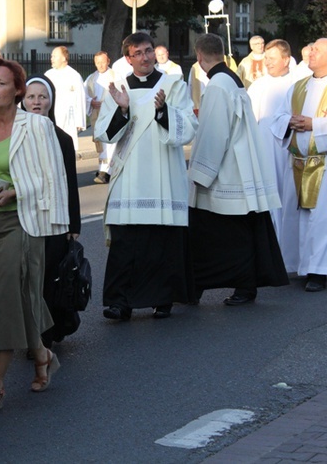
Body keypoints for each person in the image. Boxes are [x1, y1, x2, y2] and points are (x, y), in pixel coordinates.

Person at [0, 59, 69, 415]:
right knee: (8, 298)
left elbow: (51, 176)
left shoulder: (35, 126)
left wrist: (17, 190)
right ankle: (42, 354)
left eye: (1, 83)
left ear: (18, 90)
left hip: (21, 223)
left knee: (3, 301)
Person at [94, 31, 198, 320]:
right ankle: (119, 302)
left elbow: (189, 127)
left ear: (155, 52)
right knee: (125, 240)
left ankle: (161, 299)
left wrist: (164, 112)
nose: (145, 57)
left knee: (161, 240)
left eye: (148, 51)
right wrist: (123, 109)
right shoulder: (117, 88)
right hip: (130, 173)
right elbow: (103, 132)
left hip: (163, 170)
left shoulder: (174, 84)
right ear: (128, 58)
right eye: (137, 53)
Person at [188, 33, 288, 305]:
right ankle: (215, 285)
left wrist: (200, 174)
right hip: (239, 166)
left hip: (226, 173)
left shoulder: (218, 85)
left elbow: (213, 133)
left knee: (221, 234)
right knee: (237, 233)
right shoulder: (231, 78)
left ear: (199, 58)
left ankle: (236, 287)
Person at [270, 38, 327, 291]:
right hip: (296, 161)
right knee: (296, 216)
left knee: (322, 218)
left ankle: (318, 272)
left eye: (317, 50)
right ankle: (298, 264)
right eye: (310, 48)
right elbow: (278, 117)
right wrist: (289, 122)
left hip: (326, 163)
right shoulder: (298, 87)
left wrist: (313, 125)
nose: (310, 52)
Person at [21, 74, 82, 346]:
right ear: (22, 100)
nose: (36, 102)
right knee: (25, 280)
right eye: (31, 96)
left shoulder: (63, 138)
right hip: (21, 218)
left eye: (42, 96)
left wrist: (74, 226)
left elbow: (70, 183)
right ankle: (29, 335)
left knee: (50, 279)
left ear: (51, 101)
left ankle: (47, 335)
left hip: (55, 221)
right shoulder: (13, 134)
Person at [247, 39, 296, 239]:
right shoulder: (258, 85)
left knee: (290, 195)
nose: (267, 62)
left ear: (286, 60)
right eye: (266, 58)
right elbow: (250, 119)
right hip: (265, 148)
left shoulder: (299, 83)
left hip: (290, 148)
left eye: (272, 58)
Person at [44, 46, 86, 150]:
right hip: (51, 115)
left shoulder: (74, 76)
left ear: (63, 58)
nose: (51, 58)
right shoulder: (48, 75)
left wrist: (80, 121)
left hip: (68, 118)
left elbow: (80, 98)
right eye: (51, 56)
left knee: (66, 148)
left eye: (54, 56)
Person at [84, 51, 116, 184]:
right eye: (98, 62)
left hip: (111, 114)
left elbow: (121, 92)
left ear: (108, 61)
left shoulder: (115, 76)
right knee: (101, 143)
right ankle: (103, 169)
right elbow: (84, 95)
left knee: (110, 143)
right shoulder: (91, 78)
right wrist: (91, 101)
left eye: (103, 62)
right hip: (97, 114)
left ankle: (106, 171)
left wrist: (107, 103)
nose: (101, 65)